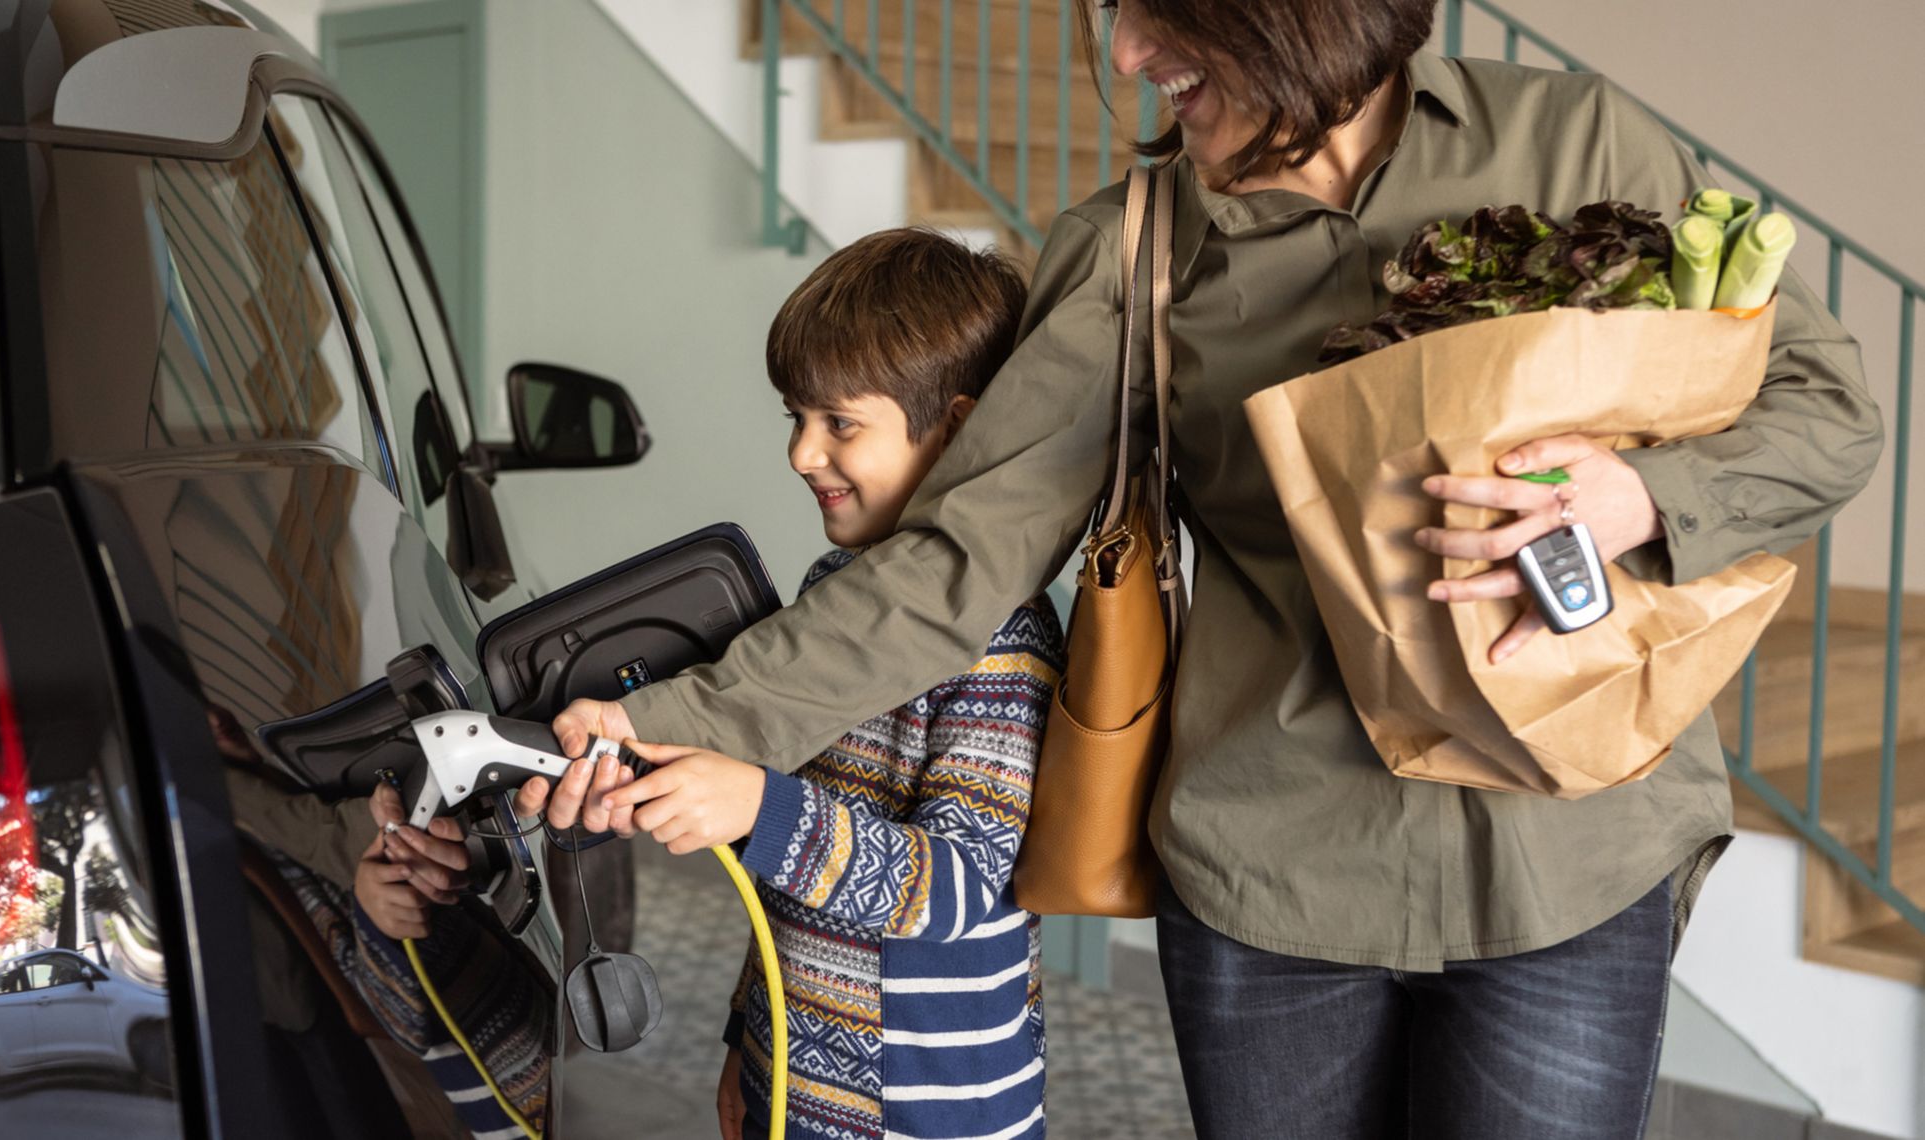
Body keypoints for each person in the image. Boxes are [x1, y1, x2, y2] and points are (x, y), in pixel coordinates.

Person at [518, 1, 1883, 1136]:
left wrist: (1635, 490)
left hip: (1572, 852)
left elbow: (1825, 405)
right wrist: (661, 724)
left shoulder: (1576, 139)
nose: (1123, 54)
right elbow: (954, 561)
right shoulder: (1133, 248)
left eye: (1158, 13)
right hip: (1271, 879)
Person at [555, 229, 1060, 1140]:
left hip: (927, 1114)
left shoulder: (1002, 641)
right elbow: (788, 893)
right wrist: (747, 1044)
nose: (801, 453)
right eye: (796, 417)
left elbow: (958, 887)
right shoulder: (835, 597)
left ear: (954, 428)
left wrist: (761, 806)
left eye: (839, 424)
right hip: (801, 1083)